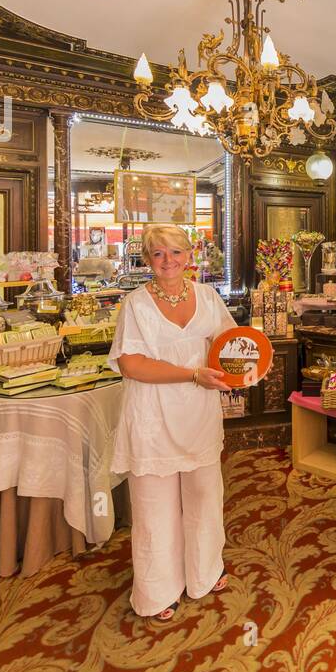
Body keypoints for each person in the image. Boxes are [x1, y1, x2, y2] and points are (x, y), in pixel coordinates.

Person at [107, 224, 236, 623]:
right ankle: (157, 589)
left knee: (204, 495)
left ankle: (205, 571)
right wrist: (192, 374)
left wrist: (246, 365)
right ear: (147, 260)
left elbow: (230, 343)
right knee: (154, 506)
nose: (168, 261)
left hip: (198, 413)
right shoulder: (135, 304)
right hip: (151, 414)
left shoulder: (209, 296)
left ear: (189, 255)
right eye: (159, 254)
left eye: (176, 252)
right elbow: (131, 364)